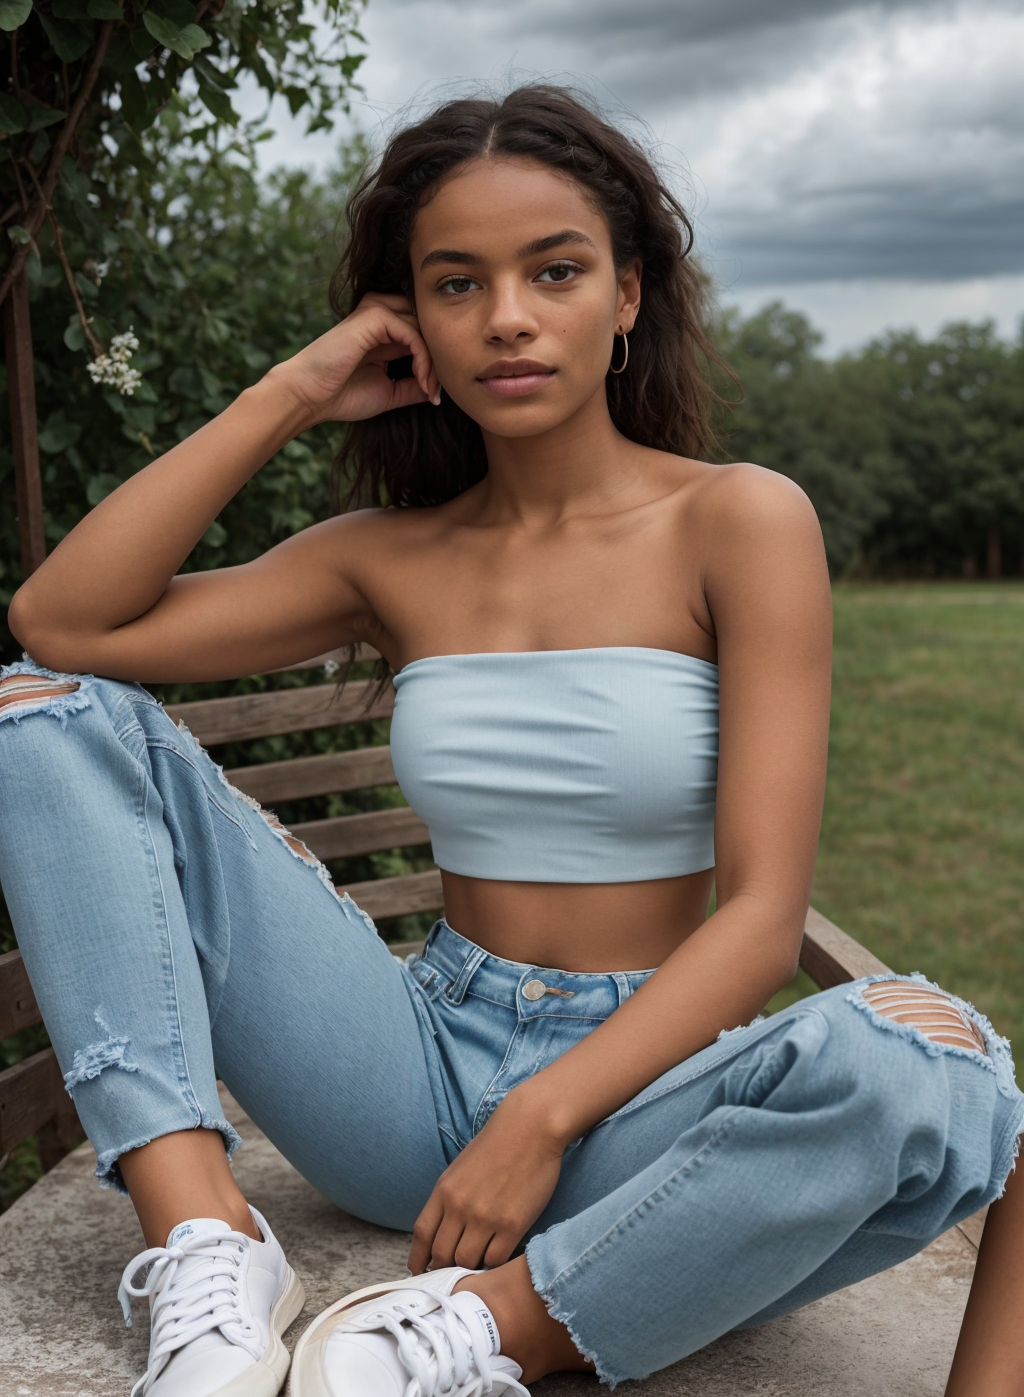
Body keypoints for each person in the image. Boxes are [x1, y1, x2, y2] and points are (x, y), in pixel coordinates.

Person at [1, 85, 1021, 1397]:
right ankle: (207, 1244)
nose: (511, 319)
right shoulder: (387, 559)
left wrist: (541, 1122)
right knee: (38, 715)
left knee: (937, 1063)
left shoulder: (742, 524)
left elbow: (765, 920)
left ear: (629, 295)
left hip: (640, 1104)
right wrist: (299, 388)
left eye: (555, 271)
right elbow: (60, 624)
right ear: (408, 321)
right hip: (410, 1070)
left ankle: (479, 1334)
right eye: (456, 284)